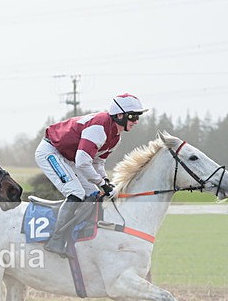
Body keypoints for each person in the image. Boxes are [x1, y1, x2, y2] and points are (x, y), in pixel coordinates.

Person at [34, 93, 148, 258]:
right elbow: (82, 162)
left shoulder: (115, 137)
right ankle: (56, 240)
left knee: (93, 195)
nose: (136, 121)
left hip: (71, 158)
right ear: (120, 114)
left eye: (138, 117)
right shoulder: (99, 128)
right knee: (76, 193)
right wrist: (101, 182)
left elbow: (97, 163)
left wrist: (106, 182)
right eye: (133, 116)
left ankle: (77, 237)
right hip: (51, 152)